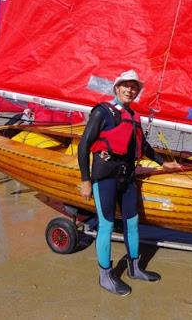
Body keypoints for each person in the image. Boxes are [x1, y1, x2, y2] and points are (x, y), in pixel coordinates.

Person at [78, 69, 181, 296]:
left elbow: (143, 146)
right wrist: (85, 180)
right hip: (105, 177)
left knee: (132, 223)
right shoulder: (102, 112)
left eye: (134, 87)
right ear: (117, 88)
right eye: (126, 85)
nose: (130, 90)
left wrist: (163, 163)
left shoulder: (134, 117)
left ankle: (135, 268)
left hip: (127, 177)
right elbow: (84, 146)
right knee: (105, 225)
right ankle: (105, 275)